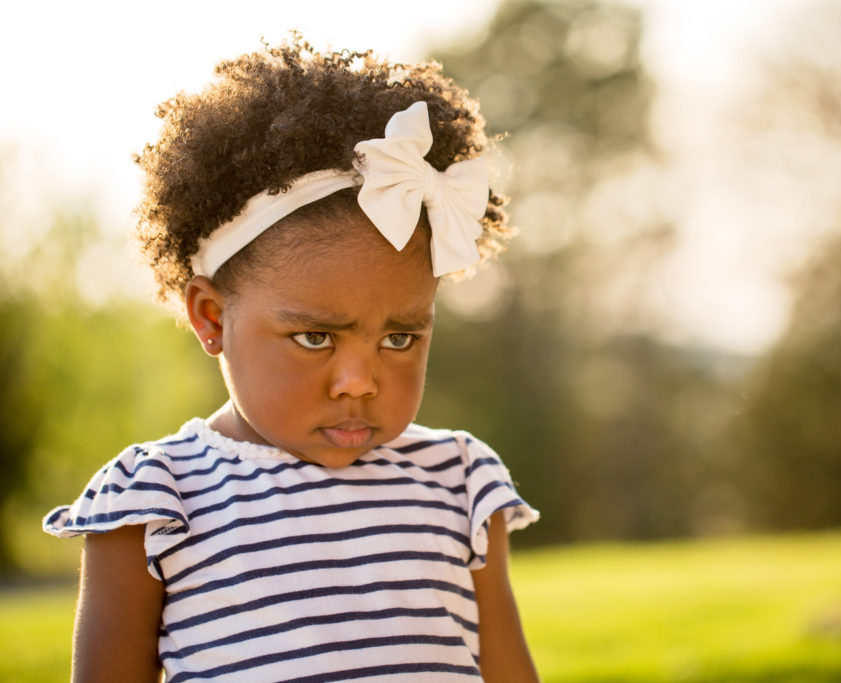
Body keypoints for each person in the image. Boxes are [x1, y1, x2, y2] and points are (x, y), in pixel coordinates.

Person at [43, 35, 540, 683]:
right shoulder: (154, 501)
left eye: (400, 337)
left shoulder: (460, 483)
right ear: (211, 315)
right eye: (315, 338)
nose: (360, 381)